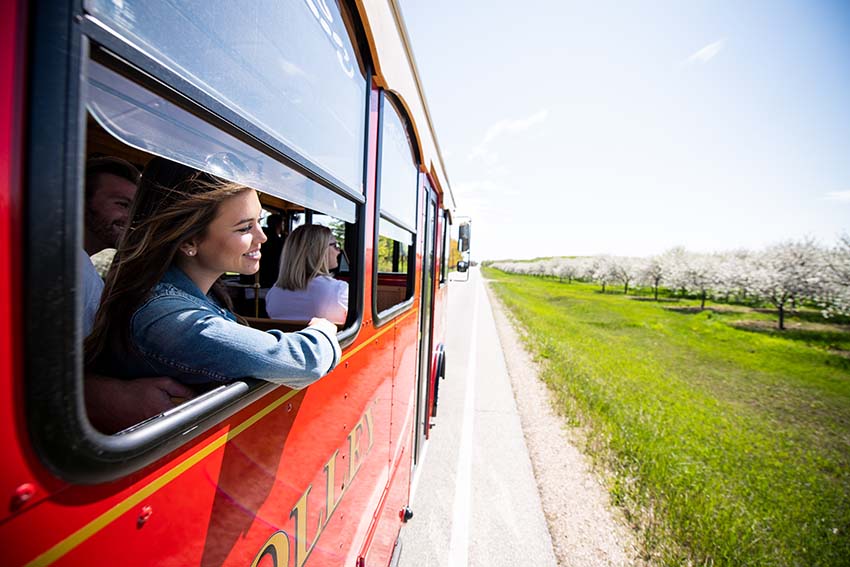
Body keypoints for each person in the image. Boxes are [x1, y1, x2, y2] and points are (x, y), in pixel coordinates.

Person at [85, 157, 340, 387]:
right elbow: (305, 361)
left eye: (259, 222)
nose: (262, 237)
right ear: (189, 242)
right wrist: (324, 329)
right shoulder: (169, 318)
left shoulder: (198, 297)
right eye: (244, 228)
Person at [81, 156, 194, 432]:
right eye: (121, 204)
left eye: (134, 209)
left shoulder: (84, 267)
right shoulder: (69, 264)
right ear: (81, 203)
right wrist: (113, 396)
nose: (130, 219)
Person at [265, 224, 349, 325]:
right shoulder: (339, 290)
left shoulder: (274, 292)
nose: (339, 251)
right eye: (335, 245)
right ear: (319, 250)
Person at [258, 213, 285, 288]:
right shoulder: (278, 242)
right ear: (279, 225)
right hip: (270, 280)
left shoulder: (261, 238)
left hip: (258, 278)